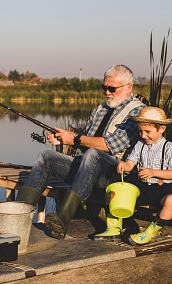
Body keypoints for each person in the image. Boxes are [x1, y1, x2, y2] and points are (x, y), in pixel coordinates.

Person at [16, 65, 145, 239]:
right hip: (87, 168)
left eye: (112, 88)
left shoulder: (138, 111)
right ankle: (17, 215)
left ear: (128, 87)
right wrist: (63, 139)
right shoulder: (101, 109)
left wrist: (74, 139)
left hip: (115, 174)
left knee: (93, 153)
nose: (107, 92)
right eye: (104, 87)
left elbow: (110, 145)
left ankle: (62, 218)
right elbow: (86, 141)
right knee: (46, 157)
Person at [94, 106, 172, 245]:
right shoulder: (140, 145)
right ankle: (113, 228)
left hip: (161, 190)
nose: (143, 135)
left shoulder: (170, 148)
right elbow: (131, 163)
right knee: (112, 189)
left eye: (148, 132)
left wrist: (153, 172)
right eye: (141, 131)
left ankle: (148, 234)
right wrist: (124, 165)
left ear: (161, 129)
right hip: (141, 189)